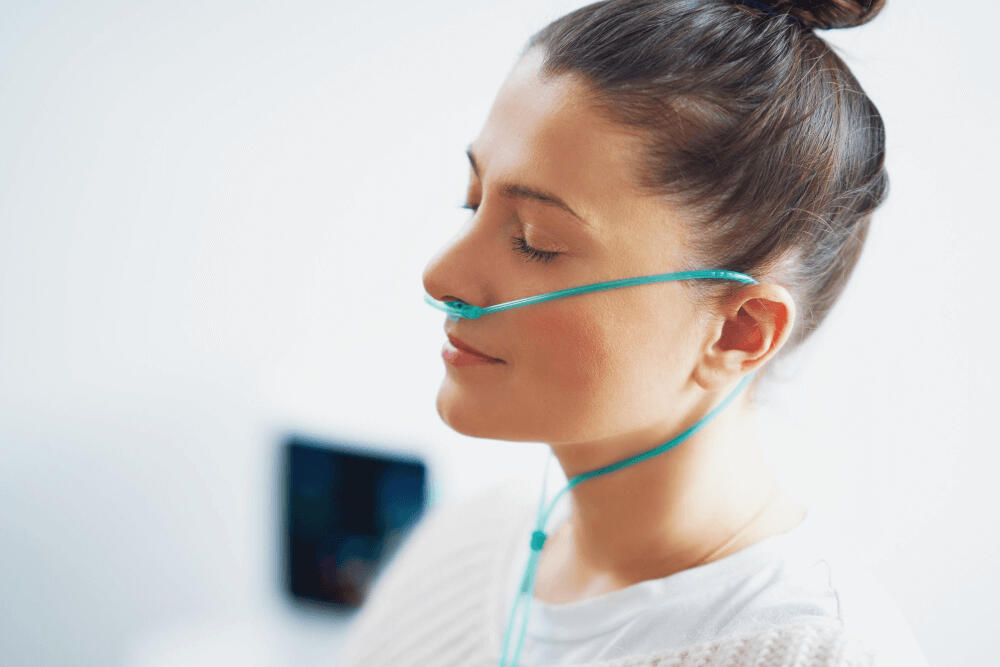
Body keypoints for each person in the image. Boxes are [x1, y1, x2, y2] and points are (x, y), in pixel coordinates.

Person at [338, 0, 929, 665]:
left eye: (534, 242)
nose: (441, 275)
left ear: (739, 330)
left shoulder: (823, 652)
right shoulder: (463, 544)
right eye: (472, 201)